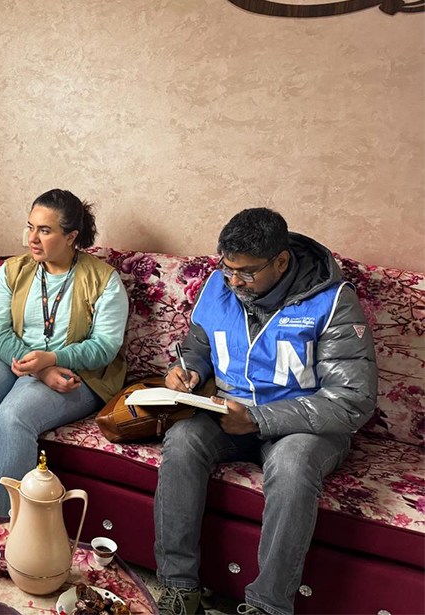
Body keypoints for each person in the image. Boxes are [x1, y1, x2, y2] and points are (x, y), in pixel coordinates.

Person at [153, 208, 377, 615]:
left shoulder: (331, 301)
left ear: (281, 261)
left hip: (304, 427)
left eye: (247, 273)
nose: (234, 282)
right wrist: (184, 372)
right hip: (228, 415)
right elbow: (198, 347)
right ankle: (180, 588)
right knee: (182, 440)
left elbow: (351, 398)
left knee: (292, 465)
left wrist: (259, 419)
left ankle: (268, 607)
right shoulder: (218, 287)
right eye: (227, 268)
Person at [0, 189, 129, 517]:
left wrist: (54, 359)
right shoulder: (12, 270)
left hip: (79, 371)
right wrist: (40, 370)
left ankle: (0, 531)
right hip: (8, 354)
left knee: (12, 417)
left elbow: (104, 348)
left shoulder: (104, 281)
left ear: (71, 237)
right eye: (30, 227)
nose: (32, 238)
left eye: (45, 230)